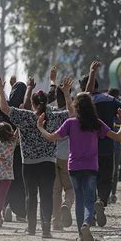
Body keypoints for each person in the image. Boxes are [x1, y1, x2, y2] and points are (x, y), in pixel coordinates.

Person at [37, 92, 121, 241]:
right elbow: (118, 137)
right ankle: (86, 223)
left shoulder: (70, 123)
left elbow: (51, 137)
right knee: (89, 200)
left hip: (74, 168)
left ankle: (80, 233)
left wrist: (40, 127)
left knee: (79, 200)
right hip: (91, 167)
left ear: (76, 107)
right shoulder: (96, 123)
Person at [0, 76, 75, 238]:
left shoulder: (25, 116)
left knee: (30, 195)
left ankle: (31, 228)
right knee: (46, 195)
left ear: (32, 103)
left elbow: (4, 108)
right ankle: (46, 229)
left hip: (29, 164)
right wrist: (66, 94)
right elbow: (72, 115)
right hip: (48, 163)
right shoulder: (53, 115)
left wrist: (0, 89)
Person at [80, 61, 121, 227]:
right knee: (106, 179)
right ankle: (101, 201)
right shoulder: (110, 100)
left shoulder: (85, 101)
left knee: (90, 181)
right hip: (107, 147)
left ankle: (92, 213)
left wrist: (92, 71)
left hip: (88, 150)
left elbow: (87, 93)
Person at [47, 66, 74, 230]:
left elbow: (47, 99)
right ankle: (67, 204)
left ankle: (55, 222)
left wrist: (52, 81)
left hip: (51, 156)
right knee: (70, 188)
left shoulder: (50, 113)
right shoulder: (67, 114)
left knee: (55, 190)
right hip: (66, 156)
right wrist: (66, 92)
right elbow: (72, 112)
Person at [3, 80, 27, 222]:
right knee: (20, 181)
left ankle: (6, 206)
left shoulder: (5, 108)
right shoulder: (24, 110)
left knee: (7, 179)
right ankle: (20, 213)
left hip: (6, 150)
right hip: (21, 151)